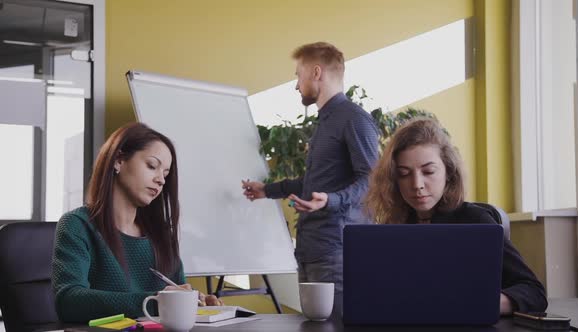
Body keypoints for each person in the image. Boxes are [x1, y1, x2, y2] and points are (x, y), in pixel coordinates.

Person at [364, 117, 548, 314]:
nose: (417, 184)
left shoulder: (476, 221)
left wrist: (476, 303)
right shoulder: (394, 226)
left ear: (448, 172)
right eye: (404, 173)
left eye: (428, 171)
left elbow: (534, 292)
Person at [241, 42, 380, 298]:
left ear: (316, 73)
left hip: (337, 252)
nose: (296, 85)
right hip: (311, 251)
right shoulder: (325, 122)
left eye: (298, 75)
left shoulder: (354, 118)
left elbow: (373, 180)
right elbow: (315, 183)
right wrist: (267, 191)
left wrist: (331, 200)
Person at [52, 122, 220, 323]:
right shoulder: (76, 225)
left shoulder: (161, 235)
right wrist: (155, 302)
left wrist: (194, 302)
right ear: (118, 160)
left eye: (165, 174)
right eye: (152, 166)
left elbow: (176, 292)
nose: (161, 180)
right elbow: (69, 302)